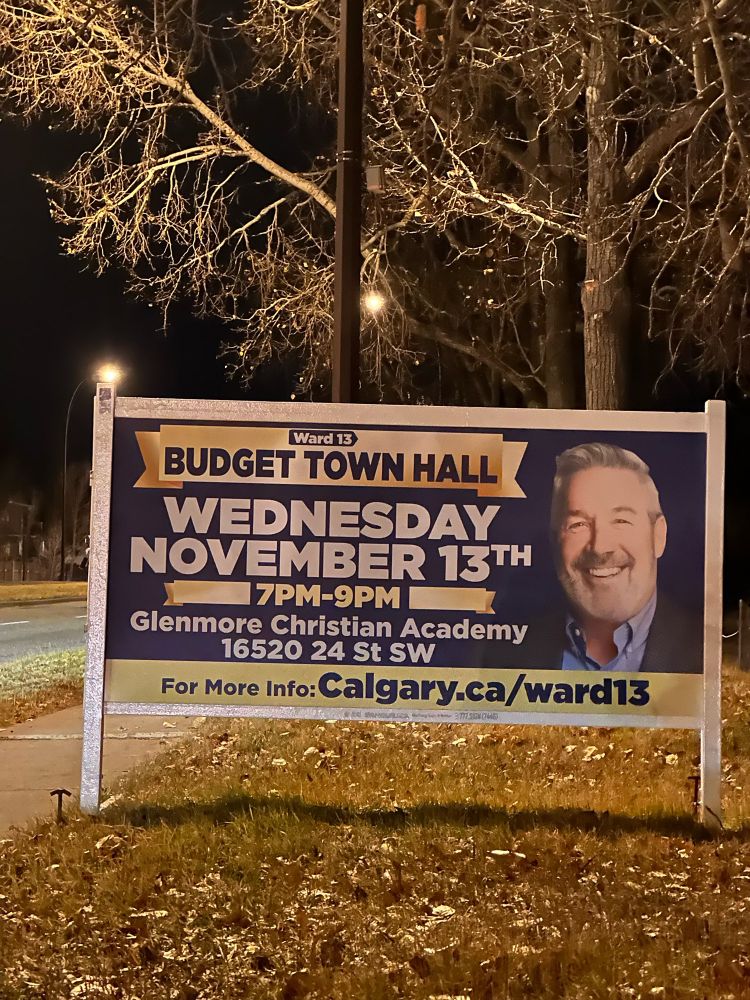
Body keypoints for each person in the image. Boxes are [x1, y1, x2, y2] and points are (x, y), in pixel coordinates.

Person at [507, 442, 702, 673]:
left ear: (658, 536)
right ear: (555, 541)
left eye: (621, 521)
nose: (600, 547)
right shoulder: (508, 650)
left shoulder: (702, 647)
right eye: (578, 524)